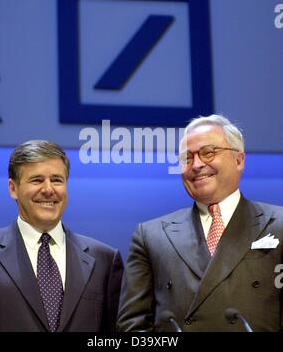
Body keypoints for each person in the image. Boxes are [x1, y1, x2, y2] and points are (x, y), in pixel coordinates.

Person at [117, 114, 283, 332]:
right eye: (186, 158)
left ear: (239, 160)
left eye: (208, 153)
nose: (195, 165)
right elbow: (132, 326)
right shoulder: (150, 235)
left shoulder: (278, 223)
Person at [0, 140, 123, 332]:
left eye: (57, 180)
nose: (48, 189)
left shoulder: (104, 259)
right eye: (37, 180)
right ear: (13, 188)